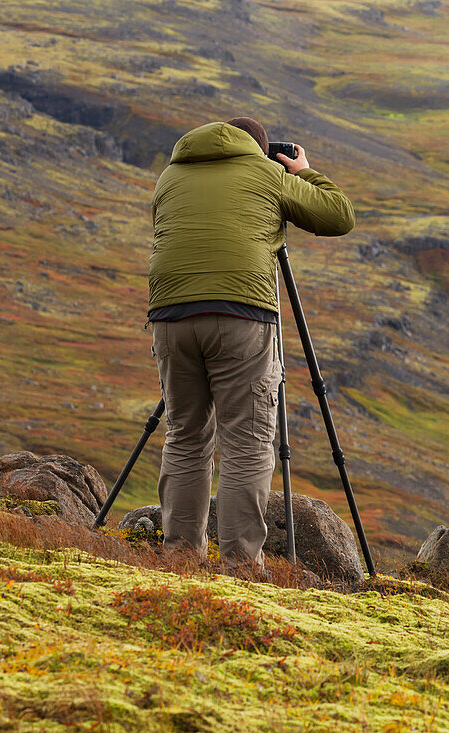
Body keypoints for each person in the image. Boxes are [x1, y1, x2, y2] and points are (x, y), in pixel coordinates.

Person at [148, 116, 354, 571]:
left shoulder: (170, 177)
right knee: (246, 442)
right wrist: (301, 172)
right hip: (241, 315)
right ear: (260, 151)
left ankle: (181, 562)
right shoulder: (267, 173)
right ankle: (240, 570)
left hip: (170, 318)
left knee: (184, 437)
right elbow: (339, 215)